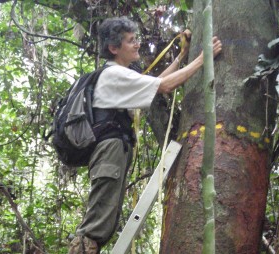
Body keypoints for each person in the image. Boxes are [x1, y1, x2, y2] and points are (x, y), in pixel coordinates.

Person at [68, 16, 222, 254]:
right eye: (131, 41)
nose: (137, 44)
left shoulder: (118, 75)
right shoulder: (113, 74)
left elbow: (156, 82)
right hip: (109, 150)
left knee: (104, 220)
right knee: (96, 225)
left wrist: (183, 57)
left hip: (114, 151)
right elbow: (165, 86)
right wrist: (203, 59)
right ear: (114, 48)